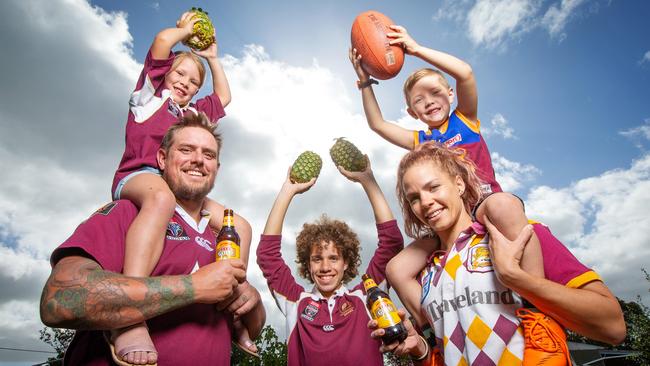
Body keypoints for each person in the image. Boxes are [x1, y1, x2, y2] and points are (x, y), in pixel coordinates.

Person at [349, 25, 545, 328]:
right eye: (419, 100)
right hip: (445, 222)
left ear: (451, 94)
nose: (428, 101)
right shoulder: (423, 140)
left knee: (504, 205)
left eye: (436, 92)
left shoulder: (465, 120)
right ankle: (436, 326)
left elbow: (465, 72)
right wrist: (364, 83)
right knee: (397, 268)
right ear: (412, 111)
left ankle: (538, 305)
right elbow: (378, 124)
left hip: (481, 206)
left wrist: (414, 48)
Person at [368, 141, 625, 365]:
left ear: (458, 184)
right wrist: (419, 349)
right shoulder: (424, 271)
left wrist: (517, 279)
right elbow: (441, 353)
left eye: (434, 187)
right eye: (414, 198)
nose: (425, 202)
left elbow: (613, 328)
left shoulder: (515, 234)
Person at [40, 113, 265, 366]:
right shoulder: (129, 213)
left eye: (209, 155)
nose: (198, 160)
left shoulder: (223, 238)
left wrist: (253, 302)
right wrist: (194, 287)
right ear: (162, 158)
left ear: (217, 168)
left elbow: (248, 326)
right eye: (186, 150)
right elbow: (57, 300)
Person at [110, 10, 254, 364]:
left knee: (240, 226)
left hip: (177, 190)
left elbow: (224, 96)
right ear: (165, 74)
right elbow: (160, 44)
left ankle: (231, 305)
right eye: (180, 73)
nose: (186, 82)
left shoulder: (188, 115)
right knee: (159, 198)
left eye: (193, 81)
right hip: (140, 176)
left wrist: (213, 59)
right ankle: (130, 313)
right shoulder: (149, 98)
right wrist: (184, 31)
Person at [256, 157, 404, 365]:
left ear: (346, 263)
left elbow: (392, 243)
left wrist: (368, 181)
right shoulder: (296, 303)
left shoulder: (365, 298)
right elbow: (267, 255)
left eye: (333, 258)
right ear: (308, 264)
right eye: (317, 259)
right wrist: (287, 191)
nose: (325, 267)